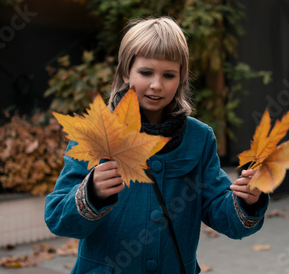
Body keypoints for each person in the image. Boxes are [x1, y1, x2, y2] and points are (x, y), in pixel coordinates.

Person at [45, 17, 268, 274]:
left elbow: (220, 211)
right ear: (126, 73)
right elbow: (57, 219)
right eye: (146, 72)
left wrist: (248, 202)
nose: (156, 85)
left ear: (181, 78)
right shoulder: (96, 134)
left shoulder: (199, 138)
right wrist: (91, 192)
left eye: (169, 75)